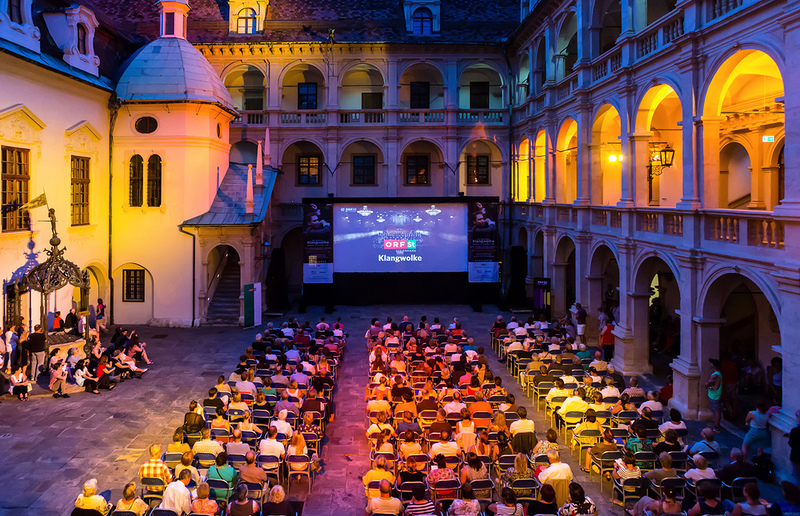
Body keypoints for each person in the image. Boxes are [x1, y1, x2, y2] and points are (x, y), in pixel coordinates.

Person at [706, 358, 724, 433]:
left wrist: (707, 385)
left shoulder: (715, 375)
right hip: (714, 395)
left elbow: (709, 384)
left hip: (714, 395)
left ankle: (716, 427)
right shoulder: (718, 374)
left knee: (717, 411)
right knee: (715, 410)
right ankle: (715, 424)